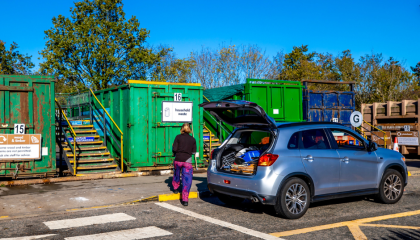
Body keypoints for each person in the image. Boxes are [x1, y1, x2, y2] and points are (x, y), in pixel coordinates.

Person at [172, 123, 197, 206]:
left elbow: (175, 149)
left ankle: (175, 188)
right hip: (187, 161)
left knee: (176, 174)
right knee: (187, 180)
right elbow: (194, 152)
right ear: (189, 129)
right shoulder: (192, 139)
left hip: (178, 159)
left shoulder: (177, 137)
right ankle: (185, 200)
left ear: (182, 129)